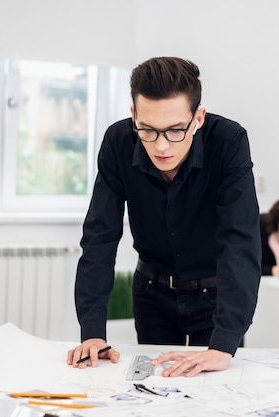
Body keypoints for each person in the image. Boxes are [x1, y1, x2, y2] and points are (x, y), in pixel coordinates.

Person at [66, 57, 261, 378]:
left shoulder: (228, 142)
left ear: (198, 118)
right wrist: (92, 332)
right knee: (155, 391)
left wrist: (224, 344)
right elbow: (99, 235)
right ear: (134, 116)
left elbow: (240, 241)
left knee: (214, 390)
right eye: (148, 130)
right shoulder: (118, 142)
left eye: (175, 130)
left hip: (215, 297)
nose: (161, 146)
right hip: (152, 294)